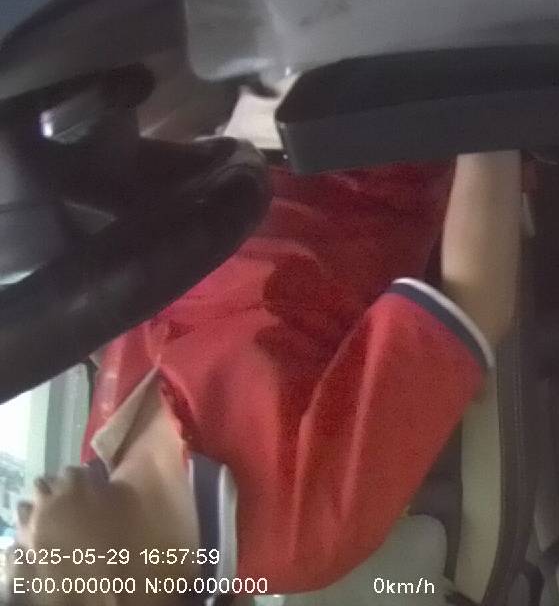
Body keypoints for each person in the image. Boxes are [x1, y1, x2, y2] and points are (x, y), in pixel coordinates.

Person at [7, 150, 523, 604]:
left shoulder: (101, 450)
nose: (20, 524)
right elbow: (474, 306)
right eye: (25, 574)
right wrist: (484, 117)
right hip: (363, 143)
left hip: (225, 148)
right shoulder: (301, 530)